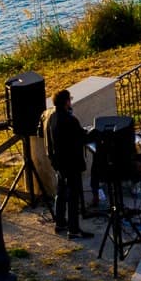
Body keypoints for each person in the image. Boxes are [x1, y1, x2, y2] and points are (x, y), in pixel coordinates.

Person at [47, 88, 89, 238]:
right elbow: (82, 138)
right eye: (70, 99)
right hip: (72, 163)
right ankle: (74, 229)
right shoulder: (70, 120)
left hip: (59, 163)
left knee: (61, 193)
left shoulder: (52, 117)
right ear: (66, 102)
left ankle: (60, 223)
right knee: (73, 196)